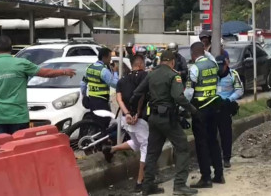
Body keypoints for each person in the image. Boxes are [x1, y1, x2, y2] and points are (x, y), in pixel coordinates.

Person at [130, 50, 199, 196]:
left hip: (153, 119)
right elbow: (178, 97)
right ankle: (179, 185)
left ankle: (147, 186)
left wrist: (133, 111)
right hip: (168, 119)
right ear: (172, 62)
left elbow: (137, 93)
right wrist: (193, 111)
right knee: (182, 147)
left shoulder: (151, 74)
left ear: (161, 61)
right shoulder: (174, 76)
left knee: (152, 152)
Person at [0, 36, 76, 135]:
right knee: (21, 148)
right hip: (19, 117)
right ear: (11, 48)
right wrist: (63, 71)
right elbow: (46, 73)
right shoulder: (21, 64)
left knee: (0, 149)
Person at [103, 55, 149, 192]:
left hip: (125, 119)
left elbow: (119, 99)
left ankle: (111, 149)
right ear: (141, 64)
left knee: (136, 142)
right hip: (139, 120)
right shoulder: (145, 76)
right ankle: (140, 181)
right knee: (146, 148)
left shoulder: (122, 80)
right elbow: (141, 95)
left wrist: (127, 113)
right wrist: (136, 113)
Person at [189, 42, 224, 188]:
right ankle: (219, 174)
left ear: (192, 55)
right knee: (213, 140)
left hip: (200, 110)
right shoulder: (213, 64)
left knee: (201, 143)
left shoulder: (195, 68)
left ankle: (206, 178)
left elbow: (190, 92)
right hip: (213, 107)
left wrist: (184, 108)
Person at [215, 55, 244, 168]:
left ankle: (226, 158)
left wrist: (229, 99)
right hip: (213, 106)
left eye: (221, 66)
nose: (220, 69)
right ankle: (214, 157)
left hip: (225, 107)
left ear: (226, 64)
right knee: (211, 133)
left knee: (226, 134)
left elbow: (239, 90)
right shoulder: (213, 74)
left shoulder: (233, 74)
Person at [80, 47, 119, 128]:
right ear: (104, 57)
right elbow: (114, 84)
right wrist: (115, 72)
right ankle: (101, 139)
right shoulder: (103, 70)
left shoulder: (89, 67)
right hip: (101, 101)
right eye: (109, 58)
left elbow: (83, 84)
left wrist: (84, 96)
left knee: (95, 123)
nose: (110, 60)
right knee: (104, 123)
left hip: (92, 100)